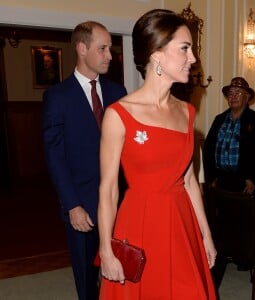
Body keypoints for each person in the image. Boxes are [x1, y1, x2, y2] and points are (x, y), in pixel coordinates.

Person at [96, 9, 216, 300]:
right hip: (140, 224)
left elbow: (188, 180)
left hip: (181, 222)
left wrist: (206, 235)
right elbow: (109, 190)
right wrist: (106, 250)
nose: (193, 58)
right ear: (157, 54)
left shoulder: (187, 112)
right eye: (185, 49)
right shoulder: (119, 115)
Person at [42, 21, 127, 300]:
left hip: (119, 202)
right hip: (82, 206)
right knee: (87, 278)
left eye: (110, 49)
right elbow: (55, 156)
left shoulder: (118, 92)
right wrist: (73, 206)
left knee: (122, 270)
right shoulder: (57, 97)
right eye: (102, 49)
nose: (109, 56)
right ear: (81, 48)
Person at [203, 77, 255, 195]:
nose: (233, 96)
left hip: (245, 184)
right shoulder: (219, 119)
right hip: (220, 181)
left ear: (247, 97)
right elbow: (208, 149)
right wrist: (211, 177)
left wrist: (253, 179)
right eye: (231, 93)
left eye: (238, 93)